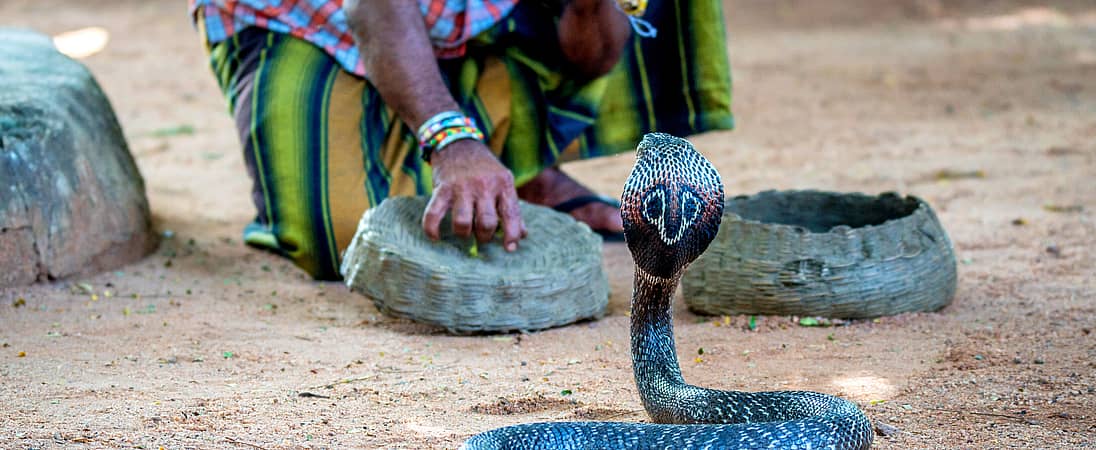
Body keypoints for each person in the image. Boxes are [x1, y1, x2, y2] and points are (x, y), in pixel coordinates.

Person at [189, 0, 734, 280]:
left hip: (475, 12)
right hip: (308, 15)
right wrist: (450, 139)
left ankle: (520, 165)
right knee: (346, 239)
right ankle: (469, 149)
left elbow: (594, 52)